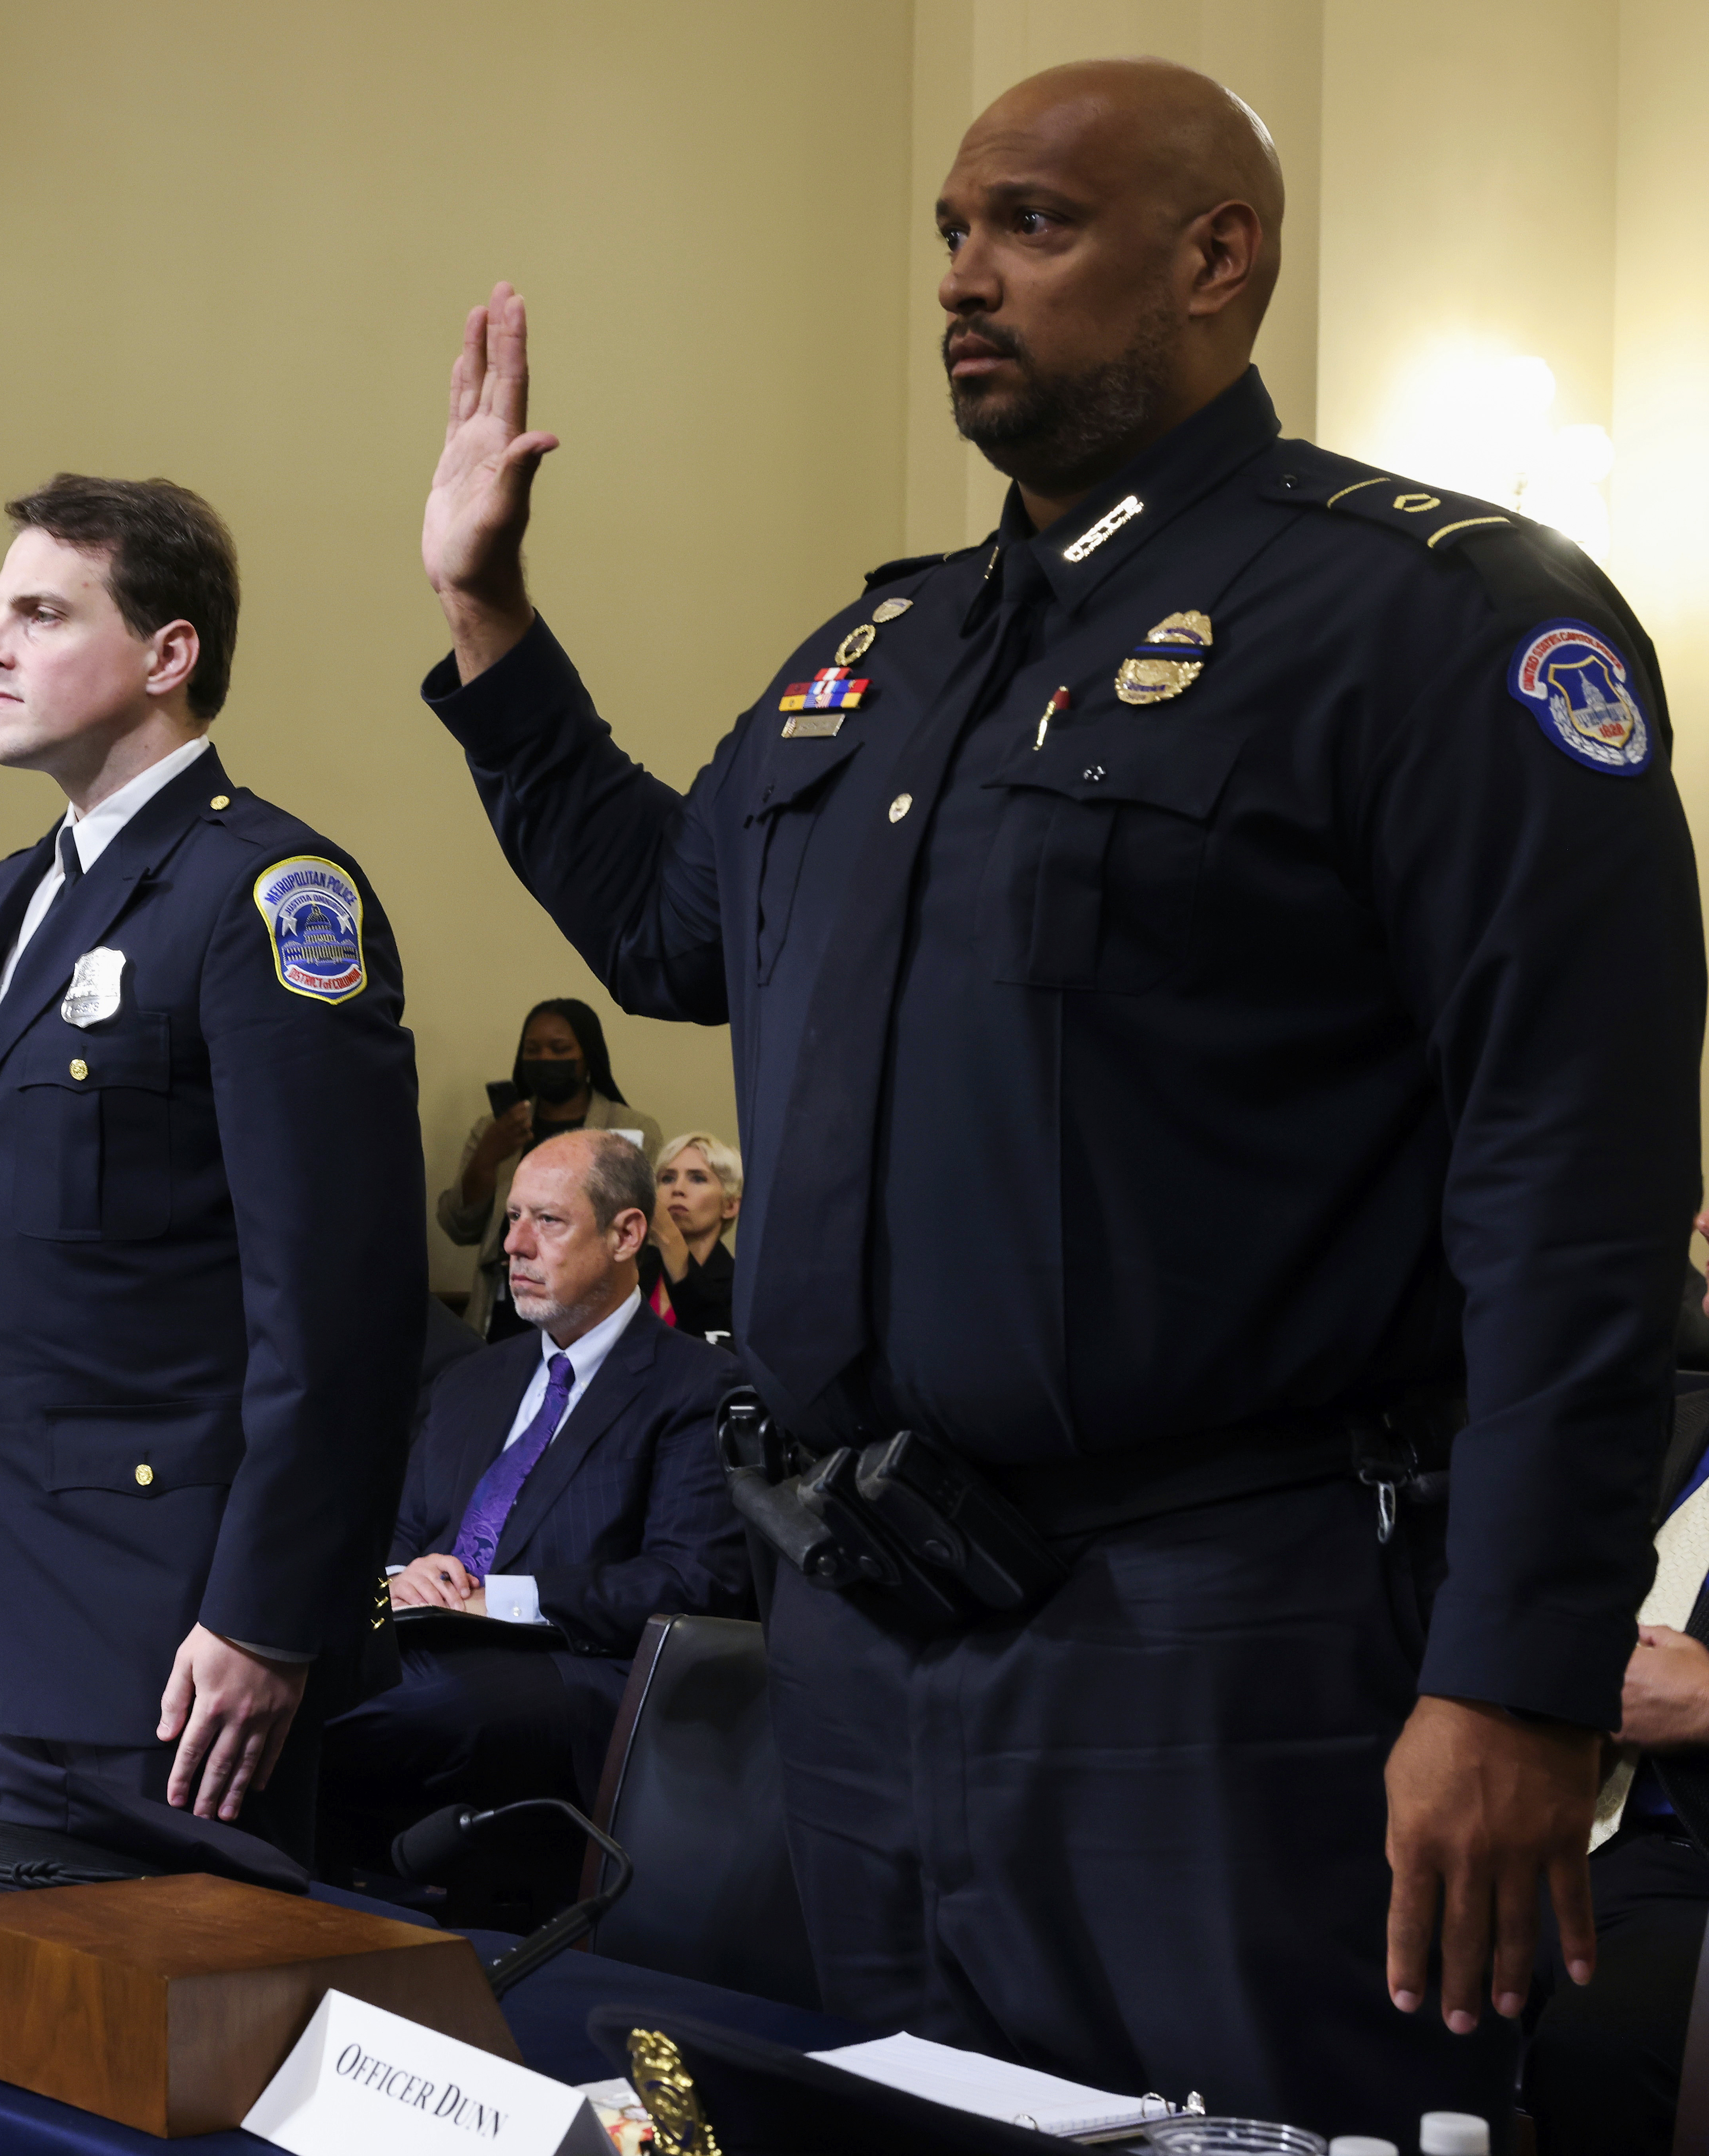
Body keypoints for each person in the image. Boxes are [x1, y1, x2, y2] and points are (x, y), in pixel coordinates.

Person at [414, 57, 1700, 2136]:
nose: (963, 279)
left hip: (1221, 1645)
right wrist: (491, 625)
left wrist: (1518, 1675)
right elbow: (673, 928)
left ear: (1217, 257)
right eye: (949, 231)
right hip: (873, 1630)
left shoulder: (1432, 621)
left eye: (1032, 225)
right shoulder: (894, 647)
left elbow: (1580, 1188)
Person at [0, 473, 431, 1889]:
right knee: (15, 2042)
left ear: (167, 654)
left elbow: (340, 1310)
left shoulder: (266, 894)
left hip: (180, 1634)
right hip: (7, 1600)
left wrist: (266, 1615)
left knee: (164, 2062)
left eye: (37, 612)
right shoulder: (8, 899)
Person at [323, 1130, 746, 1903]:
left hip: (575, 1666)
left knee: (379, 1707)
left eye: (546, 1221)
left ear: (627, 1233)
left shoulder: (698, 1386)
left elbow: (693, 1578)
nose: (513, 1244)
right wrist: (402, 1573)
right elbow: (404, 1527)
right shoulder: (471, 1378)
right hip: (423, 1638)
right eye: (512, 1216)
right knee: (275, 1670)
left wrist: (506, 1598)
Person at [1523, 1385, 1709, 2154]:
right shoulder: (1641, 1414)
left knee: (1604, 2045)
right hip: (1559, 1815)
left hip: (1692, 1869)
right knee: (1363, 1977)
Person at [440, 1000, 659, 1339]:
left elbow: (642, 1231)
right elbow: (459, 1227)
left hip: (588, 1310)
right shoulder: (496, 1128)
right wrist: (487, 1157)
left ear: (588, 1056)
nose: (544, 1059)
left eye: (560, 1049)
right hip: (503, 1308)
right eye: (533, 1050)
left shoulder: (630, 1128)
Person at [638, 1130, 739, 1338]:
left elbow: (716, 1341)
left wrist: (667, 1236)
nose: (678, 1189)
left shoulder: (740, 1284)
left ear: (729, 1206)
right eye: (667, 1178)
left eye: (698, 1179)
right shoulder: (633, 1265)